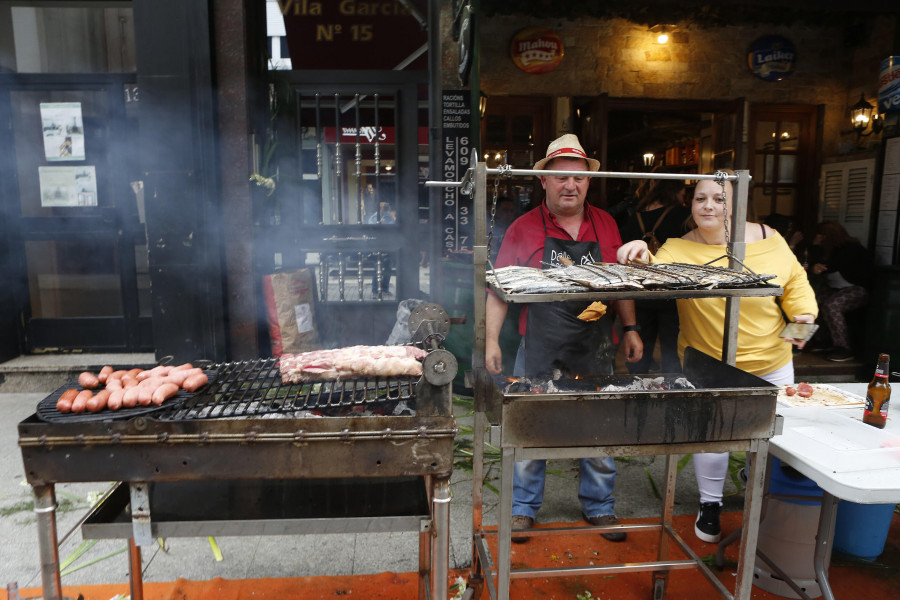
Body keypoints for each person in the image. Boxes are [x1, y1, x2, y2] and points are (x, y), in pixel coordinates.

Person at [617, 170, 817, 544]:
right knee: (712, 435)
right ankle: (710, 506)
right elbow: (654, 272)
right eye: (700, 198)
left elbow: (796, 287)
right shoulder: (679, 246)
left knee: (781, 434)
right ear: (690, 205)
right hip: (709, 363)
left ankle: (768, 492)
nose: (708, 205)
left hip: (772, 360)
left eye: (719, 198)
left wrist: (802, 326)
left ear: (738, 203)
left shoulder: (770, 238)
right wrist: (637, 255)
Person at [486, 133, 643, 543]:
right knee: (531, 426)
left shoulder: (606, 223)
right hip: (538, 344)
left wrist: (630, 327)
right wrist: (490, 343)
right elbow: (498, 289)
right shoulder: (522, 228)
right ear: (544, 181)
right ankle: (522, 509)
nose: (570, 186)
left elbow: (621, 284)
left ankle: (600, 507)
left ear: (589, 182)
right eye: (560, 178)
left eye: (578, 178)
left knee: (599, 427)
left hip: (596, 345)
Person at [618, 174, 691, 373]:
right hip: (670, 293)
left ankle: (638, 388)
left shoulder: (635, 216)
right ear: (676, 191)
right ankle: (671, 388)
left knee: (640, 345)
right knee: (672, 350)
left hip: (640, 290)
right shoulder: (683, 216)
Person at [807, 221, 873, 362]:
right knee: (813, 300)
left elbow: (828, 267)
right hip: (836, 289)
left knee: (832, 305)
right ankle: (822, 340)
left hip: (858, 289)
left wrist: (816, 247)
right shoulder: (830, 250)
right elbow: (815, 266)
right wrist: (815, 260)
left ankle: (843, 348)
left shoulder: (850, 248)